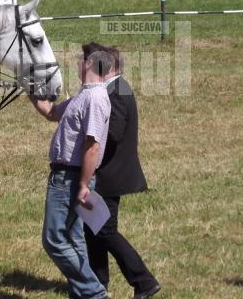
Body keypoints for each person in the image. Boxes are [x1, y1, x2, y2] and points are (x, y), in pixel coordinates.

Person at [30, 43, 113, 299]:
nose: (77, 63)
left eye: (80, 59)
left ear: (89, 63)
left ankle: (94, 292)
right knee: (74, 237)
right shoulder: (82, 95)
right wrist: (30, 90)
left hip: (71, 178)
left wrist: (84, 185)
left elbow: (92, 146)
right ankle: (83, 293)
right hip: (67, 176)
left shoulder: (95, 98)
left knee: (53, 239)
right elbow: (52, 112)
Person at [83, 46, 161, 299]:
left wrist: (90, 135)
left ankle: (144, 281)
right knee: (93, 230)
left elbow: (114, 133)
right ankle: (98, 284)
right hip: (109, 174)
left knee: (105, 230)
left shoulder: (116, 91)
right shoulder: (118, 88)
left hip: (111, 175)